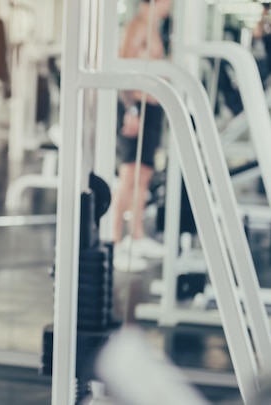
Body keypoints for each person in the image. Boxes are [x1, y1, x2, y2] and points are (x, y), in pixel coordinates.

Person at [112, 0, 172, 271]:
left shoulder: (154, 27)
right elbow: (121, 69)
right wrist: (131, 109)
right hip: (137, 108)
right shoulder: (136, 27)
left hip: (152, 108)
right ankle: (113, 241)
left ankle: (136, 236)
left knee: (145, 174)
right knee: (130, 175)